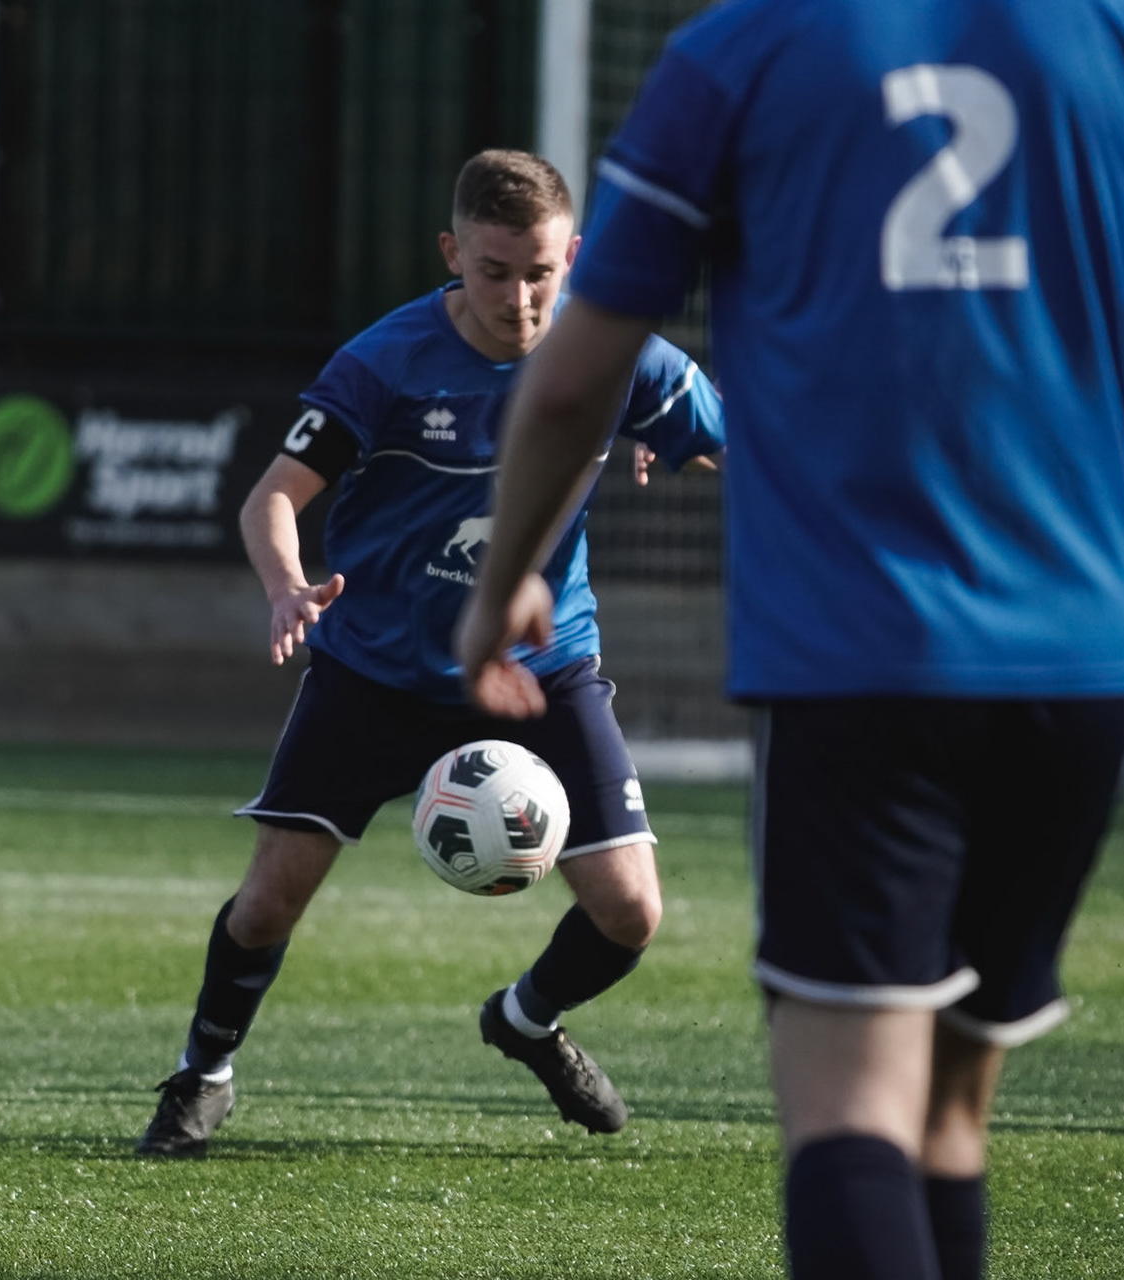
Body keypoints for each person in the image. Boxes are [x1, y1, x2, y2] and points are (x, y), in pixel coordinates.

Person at [458, 4, 1124, 1278]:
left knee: (853, 1106)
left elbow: (578, 373)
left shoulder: (741, 50)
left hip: (855, 652)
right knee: (949, 1112)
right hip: (1079, 656)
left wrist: (500, 584)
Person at [134, 149, 725, 1159]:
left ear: (574, 255)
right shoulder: (386, 363)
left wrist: (670, 433)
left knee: (631, 910)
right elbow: (273, 496)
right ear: (453, 254)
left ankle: (526, 1020)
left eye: (541, 273)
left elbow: (732, 442)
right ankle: (205, 1072)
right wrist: (286, 585)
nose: (520, 298)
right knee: (269, 901)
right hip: (378, 670)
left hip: (541, 665)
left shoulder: (621, 355)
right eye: (495, 271)